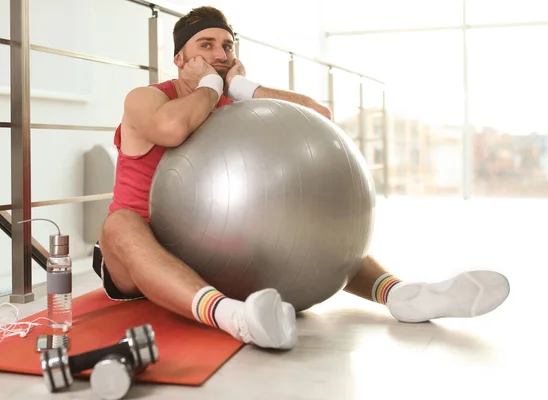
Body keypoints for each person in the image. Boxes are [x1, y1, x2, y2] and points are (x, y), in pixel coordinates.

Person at [94, 6, 510, 350]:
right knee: (118, 225)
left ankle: (402, 295)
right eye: (206, 45)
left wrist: (241, 87)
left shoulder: (229, 103)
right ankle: (233, 317)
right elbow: (172, 131)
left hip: (211, 247)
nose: (219, 54)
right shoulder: (147, 98)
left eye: (227, 46)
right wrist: (209, 86)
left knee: (301, 220)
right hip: (138, 258)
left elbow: (319, 118)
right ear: (179, 58)